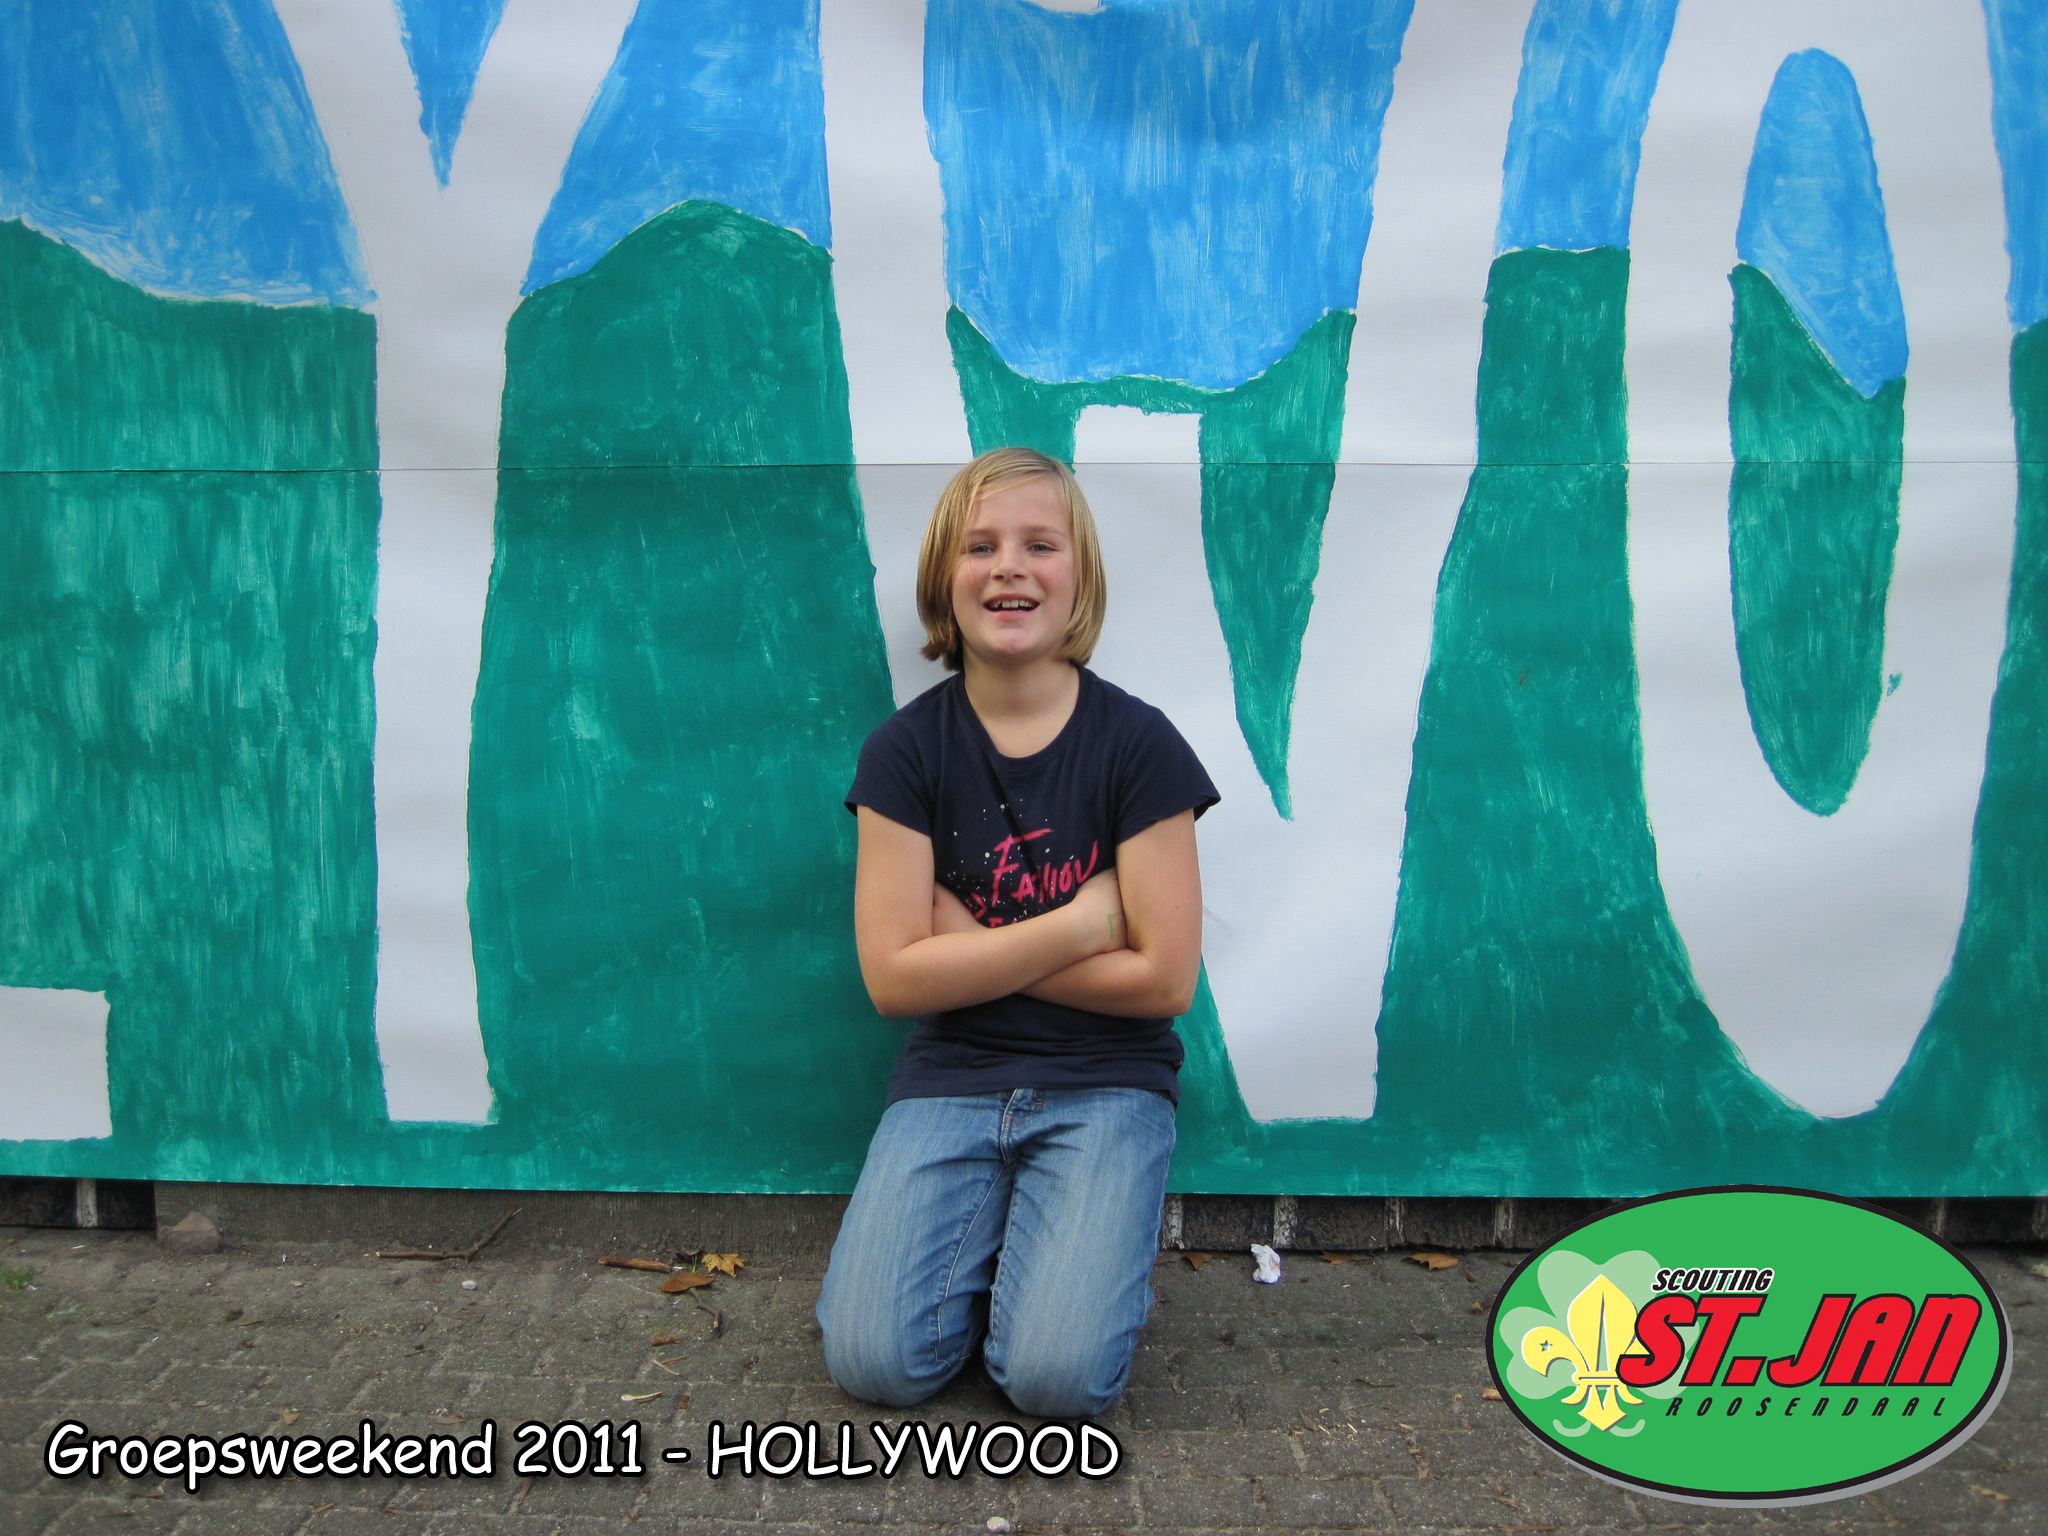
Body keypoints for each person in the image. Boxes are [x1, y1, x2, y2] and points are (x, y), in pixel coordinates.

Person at [817, 446, 1218, 1418]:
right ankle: (1005, 1257)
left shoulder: (1140, 747)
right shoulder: (903, 754)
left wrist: (967, 945)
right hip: (951, 1082)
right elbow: (893, 982)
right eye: (979, 547)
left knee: (1056, 1383)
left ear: (1078, 577)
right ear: (942, 579)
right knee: (873, 1366)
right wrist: (1083, 924)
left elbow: (1165, 981)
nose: (1009, 567)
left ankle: (1050, 1273)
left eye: (1040, 545)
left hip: (1107, 1086)